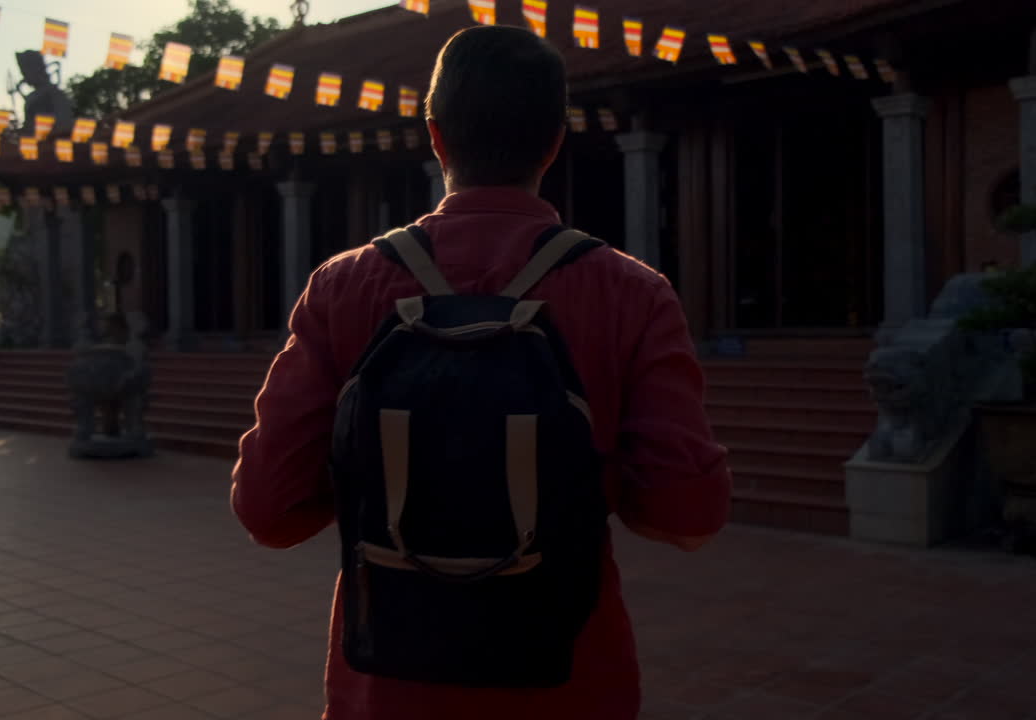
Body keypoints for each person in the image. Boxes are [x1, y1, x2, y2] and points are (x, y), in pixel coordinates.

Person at [231, 25, 731, 720]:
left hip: (386, 687)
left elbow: (267, 512)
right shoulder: (631, 294)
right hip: (568, 681)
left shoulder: (343, 288)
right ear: (555, 141)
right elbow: (691, 518)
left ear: (435, 137)